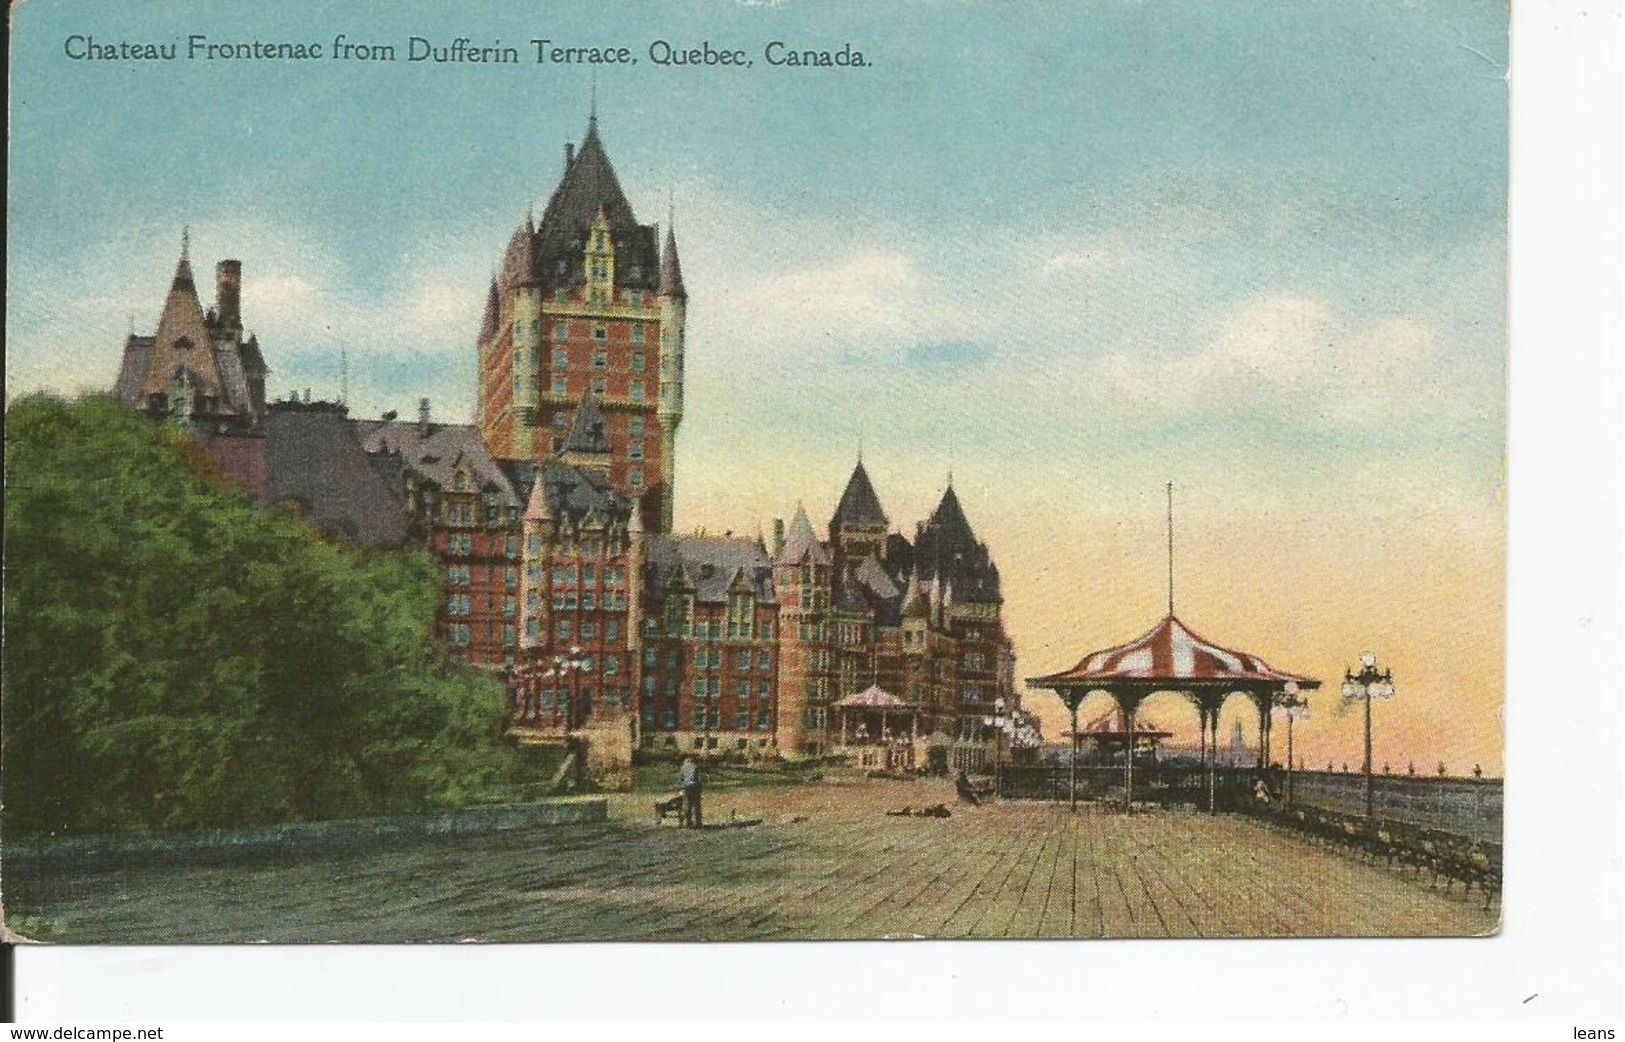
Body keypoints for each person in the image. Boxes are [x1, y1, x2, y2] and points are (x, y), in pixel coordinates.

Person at [678, 756, 702, 828]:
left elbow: (680, 779)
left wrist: (681, 787)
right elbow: (699, 778)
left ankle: (688, 822)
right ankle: (697, 823)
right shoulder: (696, 766)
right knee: (696, 805)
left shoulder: (683, 767)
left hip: (686, 787)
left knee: (687, 804)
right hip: (695, 786)